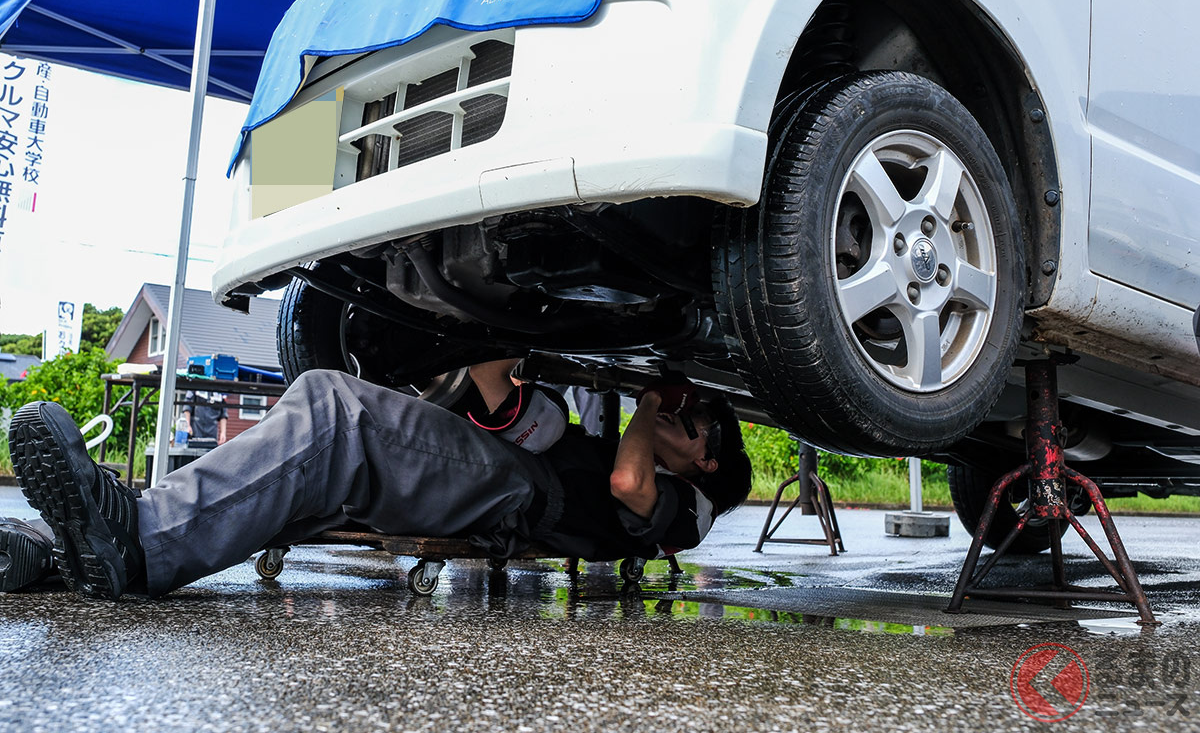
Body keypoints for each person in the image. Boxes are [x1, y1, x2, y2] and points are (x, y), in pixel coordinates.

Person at [3, 360, 751, 600]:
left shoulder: (694, 508)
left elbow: (626, 484)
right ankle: (53, 550)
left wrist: (649, 402)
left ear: (708, 457)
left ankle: (135, 544)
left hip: (507, 494)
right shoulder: (598, 431)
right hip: (494, 478)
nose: (675, 416)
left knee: (333, 410)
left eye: (692, 420)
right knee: (290, 484)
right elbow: (503, 393)